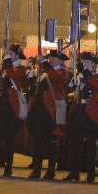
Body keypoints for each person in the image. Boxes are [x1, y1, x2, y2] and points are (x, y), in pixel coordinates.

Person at [26, 50, 69, 180]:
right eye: (50, 58)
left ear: (60, 61)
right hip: (39, 110)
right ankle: (37, 169)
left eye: (54, 58)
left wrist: (44, 62)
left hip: (52, 111)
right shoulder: (45, 72)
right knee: (37, 141)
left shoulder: (62, 72)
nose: (51, 60)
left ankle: (51, 170)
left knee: (51, 141)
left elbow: (56, 77)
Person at [64, 52, 98, 182]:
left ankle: (91, 173)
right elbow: (69, 87)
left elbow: (95, 84)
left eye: (88, 62)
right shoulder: (80, 75)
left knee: (90, 145)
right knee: (75, 143)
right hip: (79, 110)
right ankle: (74, 171)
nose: (85, 64)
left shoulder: (96, 76)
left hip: (90, 112)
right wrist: (76, 78)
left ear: (93, 64)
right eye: (84, 62)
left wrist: (85, 74)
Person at [0, 44, 31, 177]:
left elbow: (11, 74)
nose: (8, 57)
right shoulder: (5, 67)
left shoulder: (20, 68)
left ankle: (8, 167)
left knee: (9, 138)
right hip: (0, 105)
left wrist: (6, 61)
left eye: (11, 54)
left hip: (11, 107)